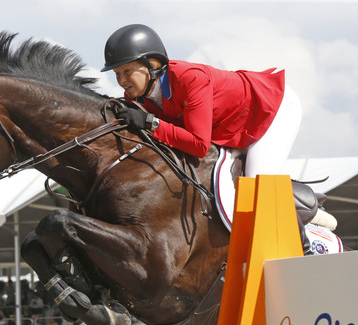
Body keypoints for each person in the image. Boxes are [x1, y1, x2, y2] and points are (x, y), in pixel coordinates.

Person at [102, 24, 311, 254]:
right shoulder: (138, 97)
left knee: (257, 184)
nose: (121, 81)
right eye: (117, 74)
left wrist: (151, 123)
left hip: (270, 110)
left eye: (127, 71)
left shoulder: (190, 79)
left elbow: (199, 146)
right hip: (227, 127)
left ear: (152, 65)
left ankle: (304, 249)